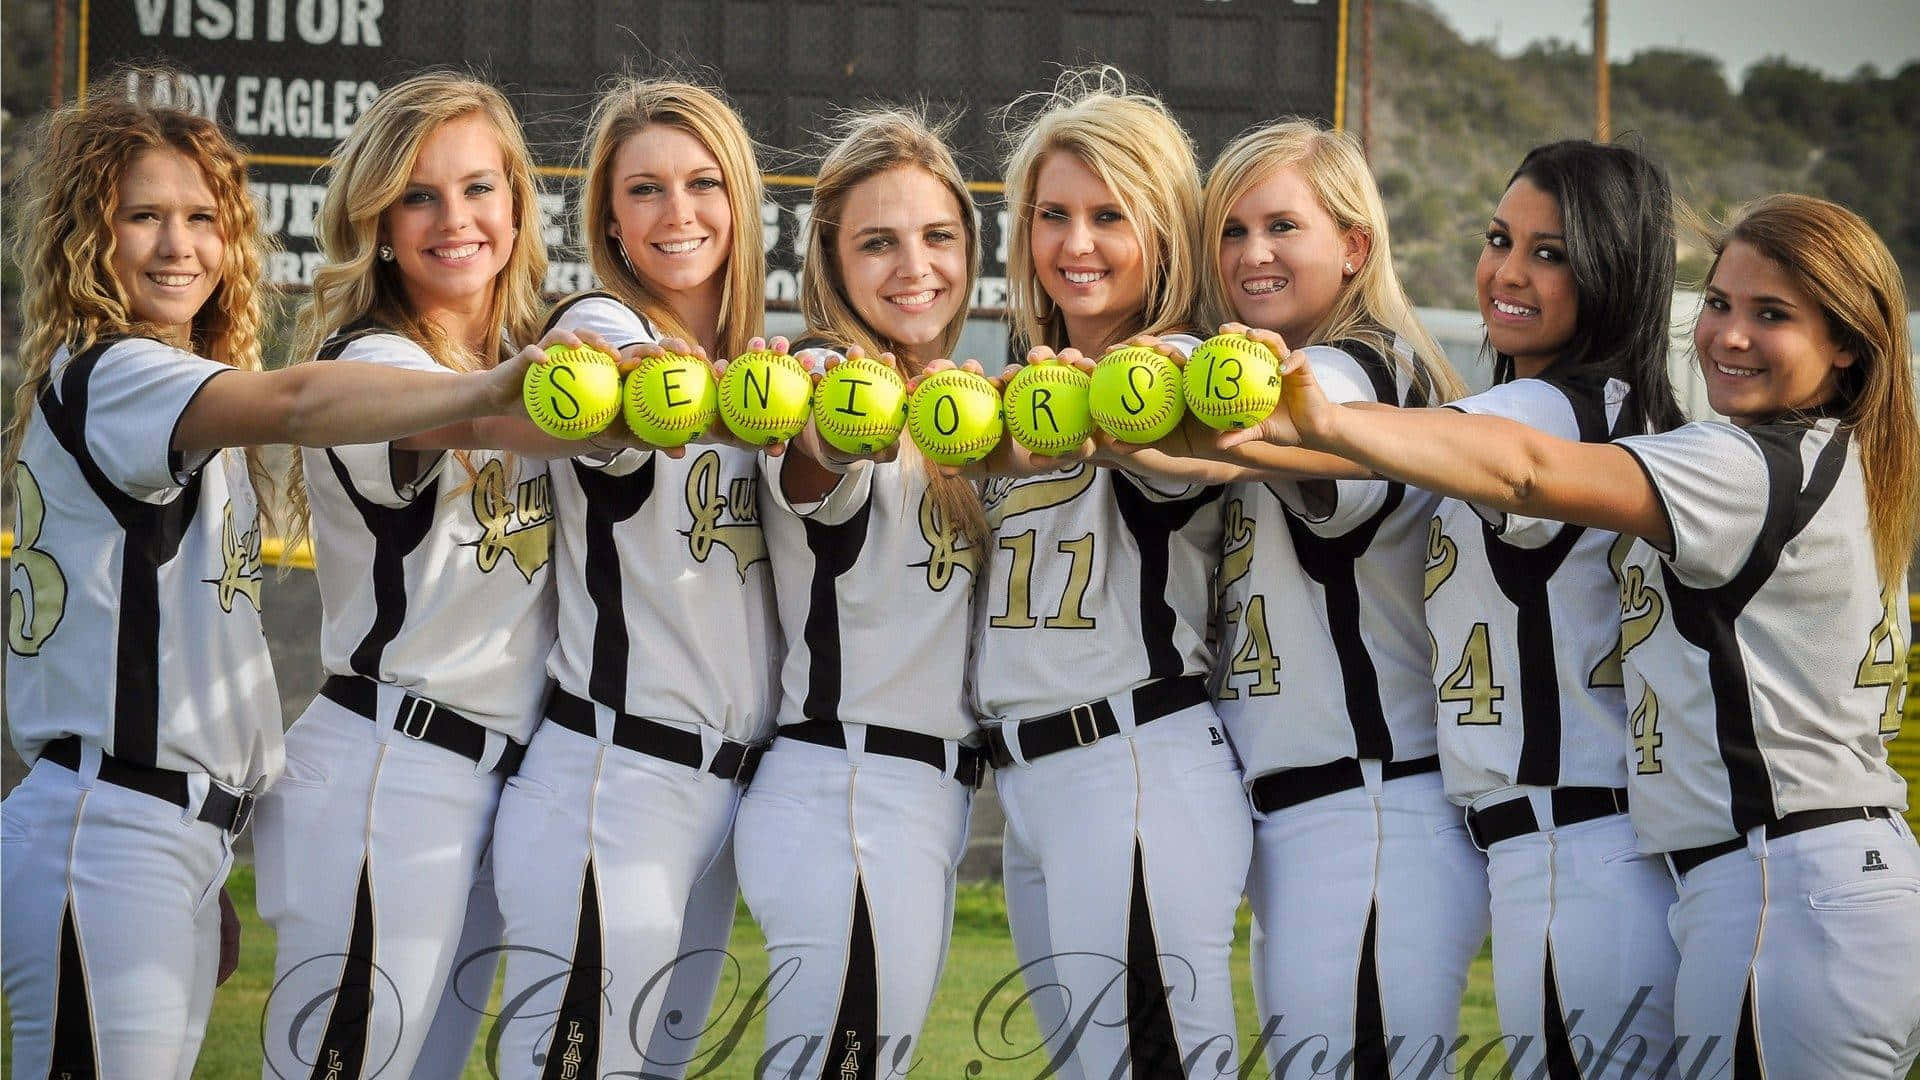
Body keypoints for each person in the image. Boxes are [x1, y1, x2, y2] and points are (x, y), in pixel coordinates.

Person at [1248, 190, 1920, 1078]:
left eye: (1773, 316)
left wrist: (1328, 420)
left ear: (1846, 346)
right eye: (1718, 303)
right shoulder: (1829, 456)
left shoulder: (1747, 463)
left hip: (1782, 882)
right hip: (1810, 875)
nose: (1729, 335)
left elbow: (1527, 470)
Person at [0, 82, 543, 1080]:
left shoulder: (156, 392)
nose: (179, 246)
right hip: (112, 820)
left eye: (203, 218)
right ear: (89, 234)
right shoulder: (115, 373)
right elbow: (298, 399)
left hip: (160, 827)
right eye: (143, 216)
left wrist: (201, 857)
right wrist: (494, 384)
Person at [1231, 140, 1690, 1076]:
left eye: (1552, 252)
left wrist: (1178, 407)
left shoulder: (1562, 413)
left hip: (1580, 843)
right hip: (1554, 853)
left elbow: (1367, 443)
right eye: (1499, 239)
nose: (1508, 272)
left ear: (1616, 270)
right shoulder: (1546, 403)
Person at [252, 72, 584, 1079]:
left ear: (520, 204)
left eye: (480, 188)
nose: (456, 219)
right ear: (378, 222)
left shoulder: (530, 353)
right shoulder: (374, 361)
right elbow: (477, 415)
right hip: (389, 774)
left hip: (493, 779)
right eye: (419, 195)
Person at [488, 77, 779, 1079]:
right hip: (614, 785)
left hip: (723, 799)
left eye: (703, 183)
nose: (679, 212)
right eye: (644, 189)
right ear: (607, 216)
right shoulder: (603, 330)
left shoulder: (757, 359)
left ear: (742, 201)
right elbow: (623, 391)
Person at [1194, 120, 1491, 1074]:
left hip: (1368, 812)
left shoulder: (1359, 371)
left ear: (1354, 245)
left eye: (1284, 225)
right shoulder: (1279, 374)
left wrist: (1136, 373)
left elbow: (1275, 420)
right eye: (1233, 232)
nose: (1253, 254)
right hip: (1318, 816)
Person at [978, 68, 1249, 1079]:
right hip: (1034, 783)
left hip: (1131, 766)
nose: (1075, 244)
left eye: (1109, 216)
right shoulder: (1027, 375)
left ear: (1165, 230)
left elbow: (1172, 437)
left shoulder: (1175, 366)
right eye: (1052, 215)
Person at [731, 107, 991, 1079]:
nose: (913, 266)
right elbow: (816, 462)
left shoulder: (958, 404)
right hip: (851, 794)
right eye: (876, 243)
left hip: (906, 802)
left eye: (937, 237)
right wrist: (832, 428)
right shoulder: (819, 379)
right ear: (832, 263)